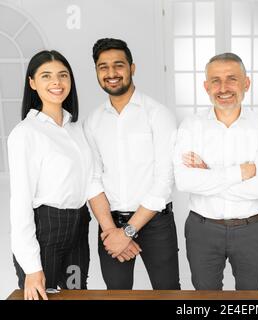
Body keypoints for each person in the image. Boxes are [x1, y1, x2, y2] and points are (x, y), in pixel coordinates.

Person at [84, 38, 180, 289]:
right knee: (116, 295)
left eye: (118, 65)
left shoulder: (158, 115)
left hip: (155, 223)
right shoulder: (92, 122)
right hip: (110, 224)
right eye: (103, 67)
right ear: (96, 72)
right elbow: (92, 179)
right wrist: (111, 231)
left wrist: (126, 232)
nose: (111, 73)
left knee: (168, 293)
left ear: (132, 68)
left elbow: (164, 181)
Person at [174, 53, 258, 290]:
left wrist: (208, 174)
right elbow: (184, 181)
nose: (223, 88)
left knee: (251, 302)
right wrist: (240, 172)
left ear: (246, 83)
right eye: (215, 81)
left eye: (232, 79)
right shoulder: (191, 126)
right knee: (205, 301)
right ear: (206, 87)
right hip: (202, 229)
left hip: (252, 230)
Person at [8, 50, 94, 300]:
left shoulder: (76, 128)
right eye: (46, 76)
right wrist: (32, 268)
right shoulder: (26, 133)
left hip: (78, 226)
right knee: (44, 296)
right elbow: (21, 202)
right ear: (33, 83)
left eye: (62, 75)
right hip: (46, 229)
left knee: (76, 294)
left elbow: (89, 181)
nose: (56, 82)